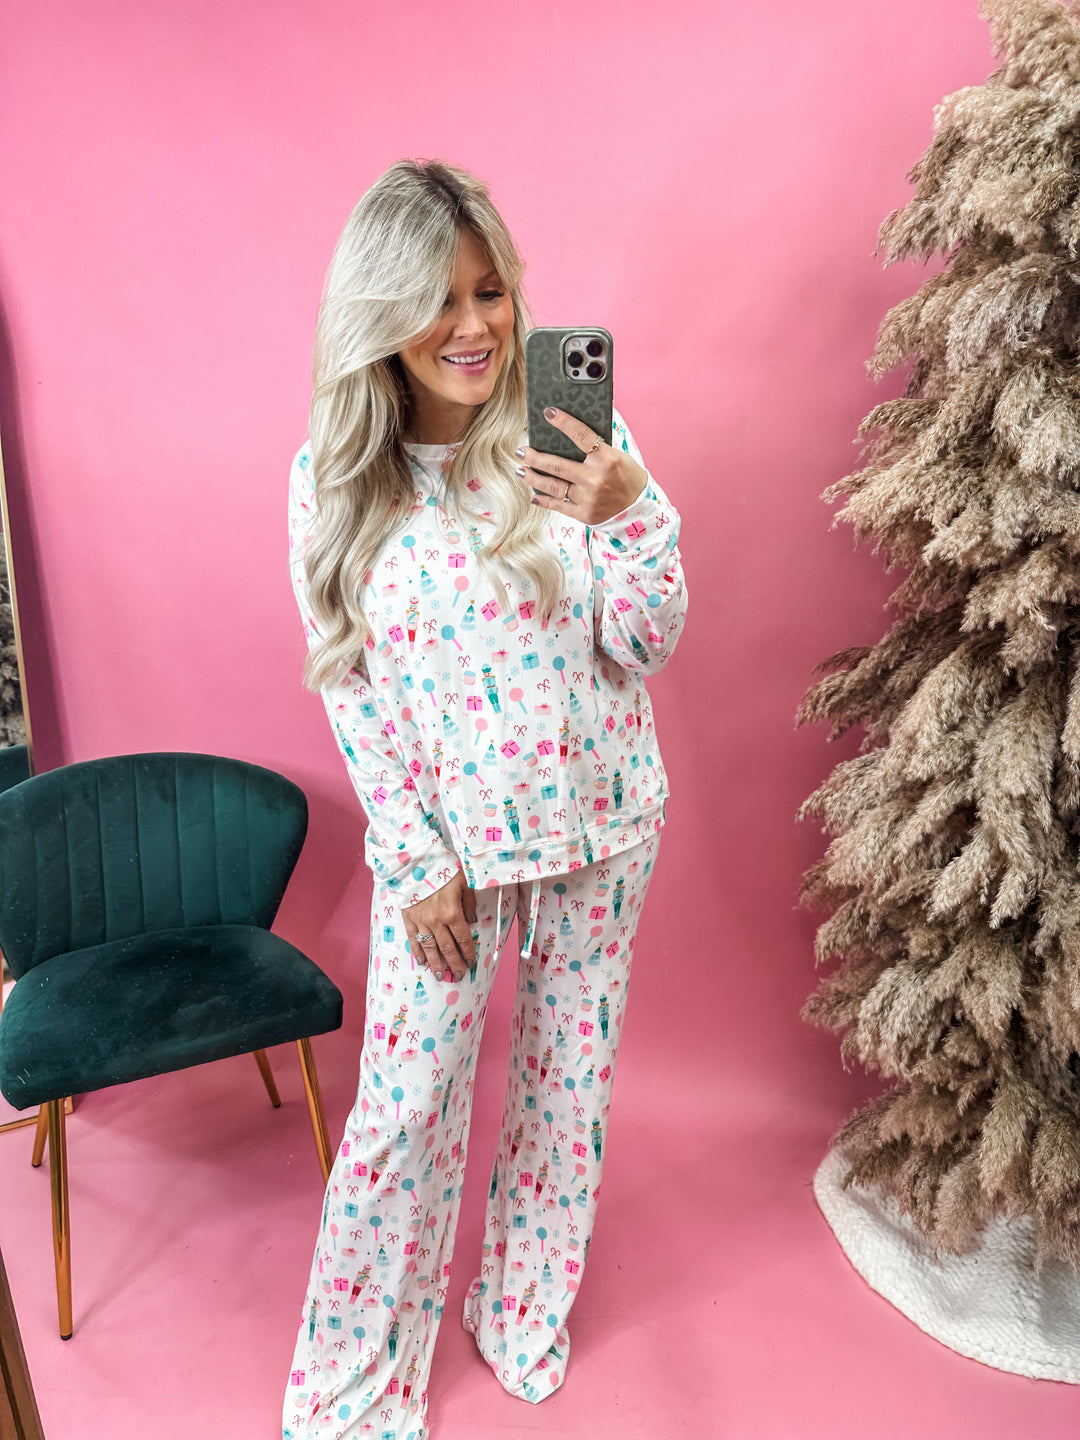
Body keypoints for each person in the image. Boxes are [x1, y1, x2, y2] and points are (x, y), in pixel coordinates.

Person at [283, 157, 687, 1440]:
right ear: (381, 315)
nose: (473, 326)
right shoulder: (334, 479)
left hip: (602, 824)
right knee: (403, 1113)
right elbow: (352, 687)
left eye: (491, 291)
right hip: (451, 857)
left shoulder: (577, 438)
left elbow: (644, 643)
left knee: (568, 1091)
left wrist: (635, 515)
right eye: (439, 300)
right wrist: (414, 862)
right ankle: (356, 1380)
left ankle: (521, 1309)